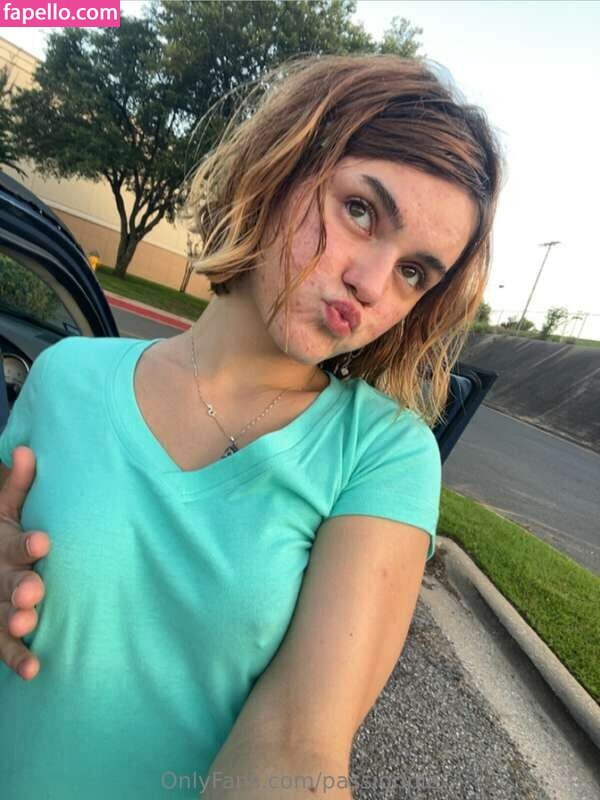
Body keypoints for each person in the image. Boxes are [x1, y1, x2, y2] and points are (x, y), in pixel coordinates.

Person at [0, 54, 503, 799]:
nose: (371, 284)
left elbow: (298, 743)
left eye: (413, 273)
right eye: (360, 211)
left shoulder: (381, 453)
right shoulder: (65, 375)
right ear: (278, 166)